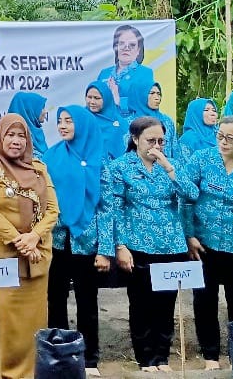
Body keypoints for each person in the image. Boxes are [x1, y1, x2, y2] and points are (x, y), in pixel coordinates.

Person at [0, 113, 60, 379]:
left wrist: (34, 237)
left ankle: (30, 373)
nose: (16, 141)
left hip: (35, 259)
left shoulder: (39, 169)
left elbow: (52, 210)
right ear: (0, 136)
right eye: (10, 135)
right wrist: (20, 240)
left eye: (21, 136)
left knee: (31, 324)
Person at [175, 115, 233, 370]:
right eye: (220, 136)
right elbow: (186, 198)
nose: (223, 142)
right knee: (204, 300)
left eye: (230, 138)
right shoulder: (201, 160)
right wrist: (189, 234)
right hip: (204, 243)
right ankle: (210, 355)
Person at [102, 116, 185, 372]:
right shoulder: (119, 168)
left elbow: (191, 195)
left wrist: (169, 168)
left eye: (161, 140)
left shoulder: (170, 165)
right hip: (136, 245)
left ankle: (163, 357)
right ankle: (146, 359)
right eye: (150, 140)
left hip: (171, 245)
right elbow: (112, 209)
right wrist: (119, 246)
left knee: (166, 304)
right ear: (135, 139)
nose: (156, 146)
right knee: (141, 304)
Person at [44, 105, 108, 376]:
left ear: (82, 124)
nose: (63, 125)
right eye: (60, 121)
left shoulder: (99, 159)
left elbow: (107, 208)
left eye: (69, 121)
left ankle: (89, 357)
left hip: (87, 241)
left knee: (87, 299)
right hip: (57, 239)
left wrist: (105, 249)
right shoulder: (51, 156)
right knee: (55, 296)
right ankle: (58, 351)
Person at [97, 24, 155, 117]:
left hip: (132, 125)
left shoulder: (145, 73)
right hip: (105, 124)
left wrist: (118, 99)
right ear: (116, 47)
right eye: (121, 43)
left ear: (138, 50)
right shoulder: (104, 73)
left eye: (132, 45)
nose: (126, 48)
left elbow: (144, 103)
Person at [122, 80, 181, 161]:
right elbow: (125, 151)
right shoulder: (128, 123)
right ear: (140, 95)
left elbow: (174, 150)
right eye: (152, 93)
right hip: (136, 170)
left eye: (159, 94)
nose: (157, 98)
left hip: (165, 169)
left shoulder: (167, 121)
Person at [85, 81, 126, 160]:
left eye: (97, 98)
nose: (92, 102)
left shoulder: (117, 117)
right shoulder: (82, 119)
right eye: (89, 97)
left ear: (106, 98)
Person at [7, 91, 49, 158]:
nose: (45, 111)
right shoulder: (15, 144)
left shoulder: (37, 133)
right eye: (42, 108)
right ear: (29, 110)